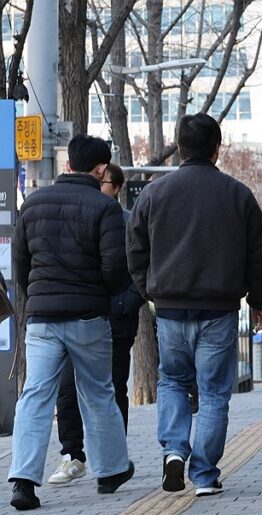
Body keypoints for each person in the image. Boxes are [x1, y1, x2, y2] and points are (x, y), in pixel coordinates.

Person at [127, 113, 262, 498]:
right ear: (216, 148)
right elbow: (260, 252)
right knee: (213, 391)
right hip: (219, 308)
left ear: (179, 146)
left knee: (172, 380)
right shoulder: (237, 194)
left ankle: (174, 450)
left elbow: (135, 249)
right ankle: (204, 474)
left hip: (171, 308)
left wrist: (149, 290)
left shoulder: (154, 194)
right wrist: (260, 302)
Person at [9, 135, 135, 510]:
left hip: (42, 317)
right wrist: (99, 292)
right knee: (97, 390)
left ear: (67, 165)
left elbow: (21, 263)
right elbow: (115, 268)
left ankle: (23, 481)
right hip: (87, 316)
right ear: (100, 170)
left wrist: (38, 295)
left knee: (35, 395)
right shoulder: (105, 208)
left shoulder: (33, 203)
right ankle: (111, 470)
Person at [48, 163, 145, 485]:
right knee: (67, 387)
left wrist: (124, 304)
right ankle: (72, 455)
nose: (96, 187)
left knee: (113, 387)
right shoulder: (78, 217)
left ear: (115, 187)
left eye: (102, 183)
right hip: (81, 314)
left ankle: (113, 458)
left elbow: (141, 269)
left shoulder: (128, 222)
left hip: (115, 318)